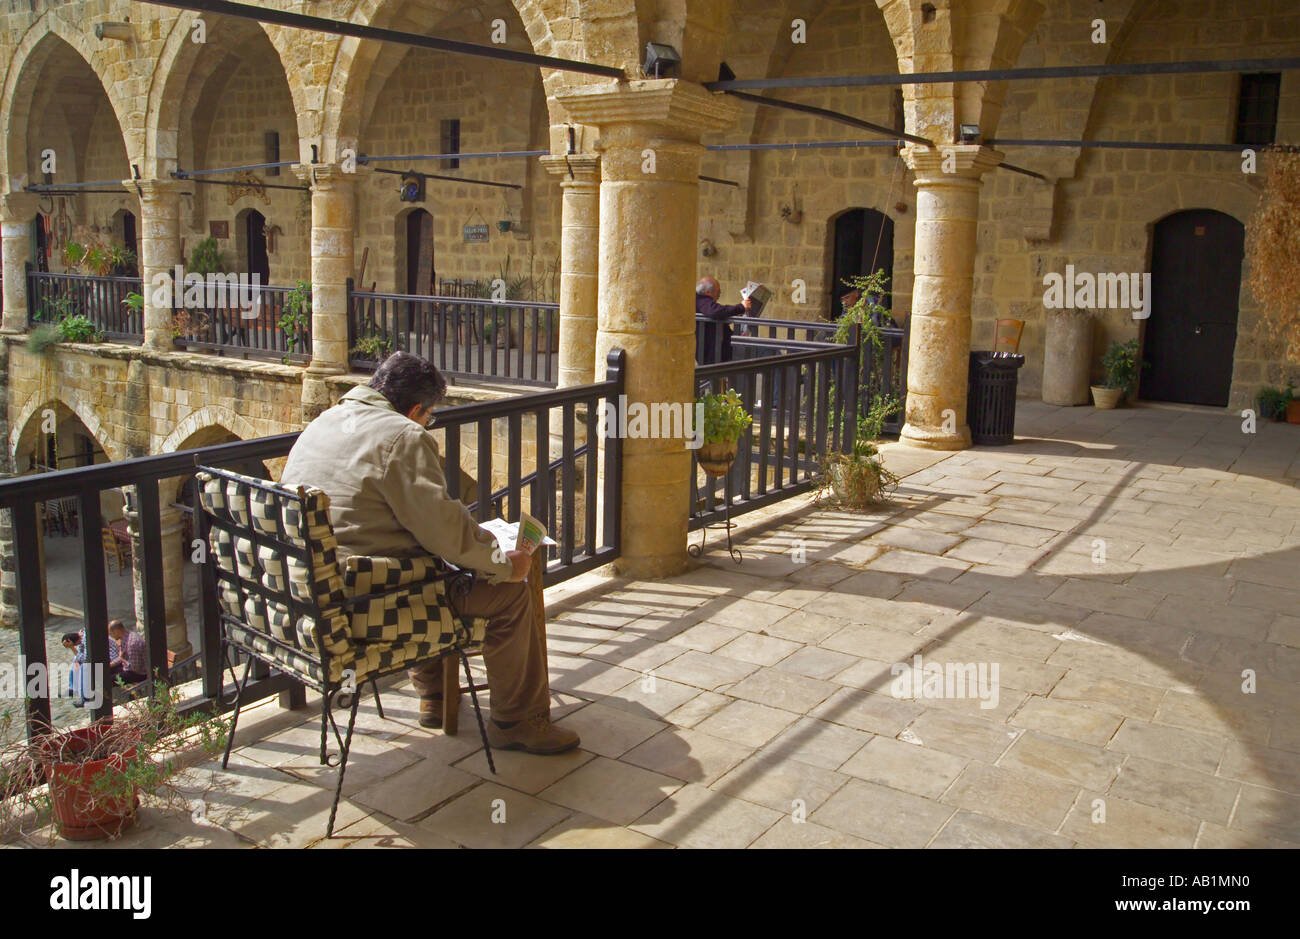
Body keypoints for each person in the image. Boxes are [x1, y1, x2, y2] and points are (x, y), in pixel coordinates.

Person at [279, 352, 579, 755]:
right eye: (430, 416)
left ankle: (434, 697)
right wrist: (504, 564)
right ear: (417, 409)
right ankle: (518, 721)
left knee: (419, 558)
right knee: (508, 593)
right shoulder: (402, 436)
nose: (427, 424)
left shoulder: (321, 423)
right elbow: (444, 530)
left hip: (308, 598)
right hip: (366, 605)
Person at [695, 276, 752, 365]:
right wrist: (741, 307)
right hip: (719, 353)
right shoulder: (702, 301)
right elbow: (714, 311)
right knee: (769, 352)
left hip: (721, 350)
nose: (719, 294)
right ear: (708, 292)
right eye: (718, 291)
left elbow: (718, 312)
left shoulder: (700, 301)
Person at [107, 619, 148, 685]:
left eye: (110, 633)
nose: (110, 636)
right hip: (129, 668)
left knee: (108, 680)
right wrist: (111, 664)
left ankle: (102, 695)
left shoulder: (131, 644)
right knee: (103, 672)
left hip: (140, 674)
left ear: (116, 631)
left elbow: (135, 669)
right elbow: (122, 657)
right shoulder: (126, 637)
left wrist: (122, 659)